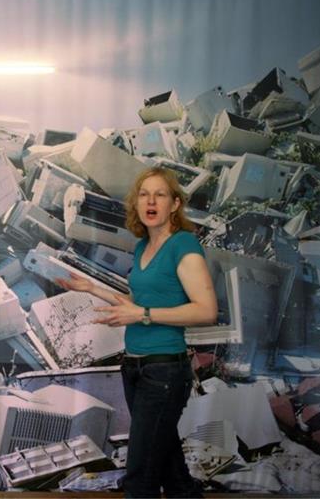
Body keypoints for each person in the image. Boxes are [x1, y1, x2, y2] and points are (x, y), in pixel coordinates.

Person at [56, 167, 217, 498]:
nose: (150, 200)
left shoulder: (182, 245)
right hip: (135, 369)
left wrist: (141, 314)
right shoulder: (143, 247)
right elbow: (138, 303)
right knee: (173, 475)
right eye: (144, 194)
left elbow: (205, 310)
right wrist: (93, 289)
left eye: (159, 194)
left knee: (140, 479)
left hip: (164, 372)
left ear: (174, 204)